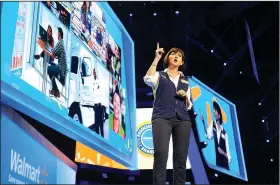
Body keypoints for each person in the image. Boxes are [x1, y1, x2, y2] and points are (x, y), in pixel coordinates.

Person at [143, 43, 193, 185]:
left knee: (180, 159)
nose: (176, 56)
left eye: (179, 55)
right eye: (173, 54)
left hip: (183, 120)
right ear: (167, 58)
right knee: (161, 154)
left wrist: (186, 97)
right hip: (162, 117)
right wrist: (156, 58)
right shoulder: (160, 75)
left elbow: (188, 106)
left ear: (181, 62)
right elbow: (147, 79)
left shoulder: (185, 80)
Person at [200, 101, 232, 170]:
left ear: (219, 115)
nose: (213, 112)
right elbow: (208, 135)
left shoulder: (225, 133)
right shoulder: (213, 125)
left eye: (215, 111)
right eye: (213, 111)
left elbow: (228, 156)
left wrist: (223, 152)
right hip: (218, 163)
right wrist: (203, 122)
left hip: (225, 165)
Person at [38, 27, 67, 98]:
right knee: (51, 69)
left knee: (49, 69)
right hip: (61, 66)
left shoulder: (60, 43)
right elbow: (52, 51)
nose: (57, 35)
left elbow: (52, 54)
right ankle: (55, 90)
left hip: (61, 70)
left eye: (57, 33)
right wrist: (45, 45)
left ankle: (56, 90)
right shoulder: (61, 43)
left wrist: (43, 47)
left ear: (59, 34)